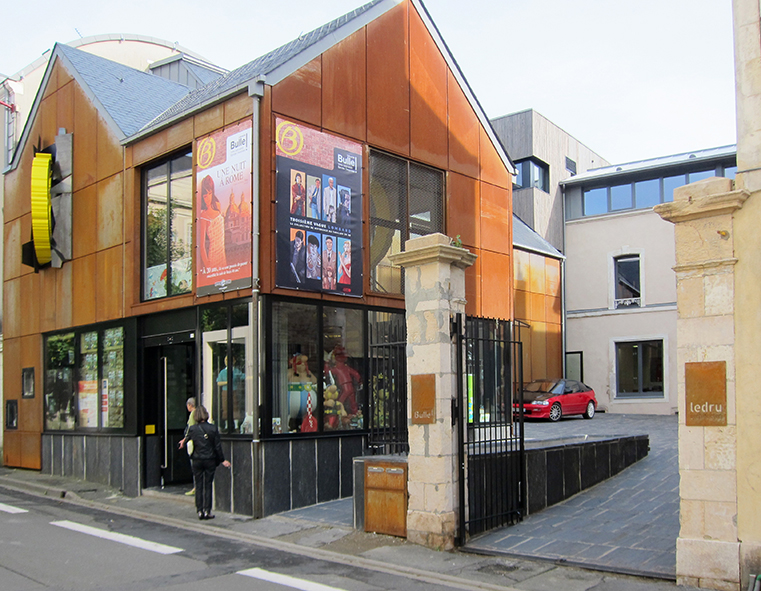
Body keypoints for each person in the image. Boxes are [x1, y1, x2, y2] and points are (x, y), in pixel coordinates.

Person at [186, 405, 230, 520]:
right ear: (206, 415)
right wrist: (222, 460)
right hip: (210, 460)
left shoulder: (193, 429)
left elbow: (188, 441)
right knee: (208, 485)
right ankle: (207, 510)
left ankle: (199, 510)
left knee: (199, 485)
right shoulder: (213, 428)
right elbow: (217, 446)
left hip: (197, 460)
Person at [198, 175, 227, 273]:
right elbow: (201, 246)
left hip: (222, 255)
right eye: (205, 196)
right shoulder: (203, 216)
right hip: (213, 258)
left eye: (210, 194)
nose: (208, 198)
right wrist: (208, 267)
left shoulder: (217, 205)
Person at [178, 397, 197, 496]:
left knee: (194, 465)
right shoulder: (197, 413)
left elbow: (190, 429)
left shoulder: (193, 414)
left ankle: (195, 487)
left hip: (193, 443)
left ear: (190, 405)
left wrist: (184, 440)